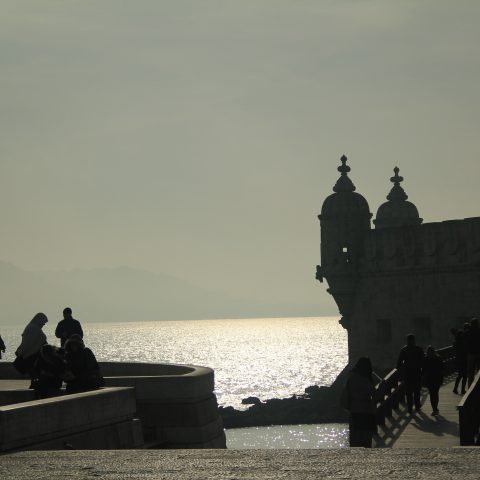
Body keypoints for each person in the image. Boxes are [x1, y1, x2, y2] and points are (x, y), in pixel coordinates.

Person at [341, 357, 377, 447]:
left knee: (355, 436)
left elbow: (346, 391)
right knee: (366, 437)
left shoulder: (351, 377)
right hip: (366, 410)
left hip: (354, 409)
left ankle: (355, 456)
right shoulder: (365, 379)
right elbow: (373, 393)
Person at [14, 313, 48, 382]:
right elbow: (33, 341)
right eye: (43, 323)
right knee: (34, 369)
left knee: (32, 369)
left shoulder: (31, 327)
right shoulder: (34, 328)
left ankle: (34, 381)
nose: (43, 325)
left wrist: (21, 349)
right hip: (33, 353)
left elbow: (25, 341)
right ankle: (34, 382)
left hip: (31, 352)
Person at [397, 334, 424, 413]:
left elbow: (399, 362)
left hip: (408, 372)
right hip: (416, 372)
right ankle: (417, 405)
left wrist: (400, 372)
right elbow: (422, 361)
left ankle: (410, 407)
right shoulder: (418, 349)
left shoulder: (404, 349)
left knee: (409, 391)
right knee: (416, 390)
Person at [423, 346, 443, 416]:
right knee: (435, 394)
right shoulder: (438, 358)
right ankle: (435, 409)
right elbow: (442, 369)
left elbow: (424, 370)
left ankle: (435, 409)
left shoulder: (426, 359)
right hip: (436, 379)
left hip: (431, 379)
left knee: (432, 394)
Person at [451, 327, 468, 395]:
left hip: (458, 360)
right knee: (464, 375)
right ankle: (462, 389)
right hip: (463, 360)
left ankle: (456, 388)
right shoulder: (463, 342)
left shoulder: (455, 342)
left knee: (460, 375)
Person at [466, 318, 480, 387]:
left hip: (471, 353)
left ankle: (470, 387)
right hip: (478, 353)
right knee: (479, 371)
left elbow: (465, 343)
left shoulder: (468, 332)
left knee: (470, 373)